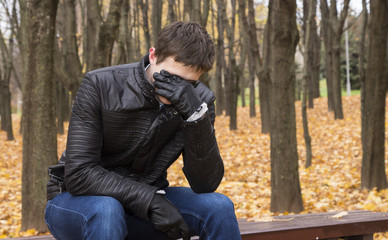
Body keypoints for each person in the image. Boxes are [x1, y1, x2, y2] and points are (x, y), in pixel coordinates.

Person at [44, 21, 241, 240]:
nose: (176, 90)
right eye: (171, 77)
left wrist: (195, 117)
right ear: (154, 55)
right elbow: (79, 174)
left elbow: (205, 184)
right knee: (107, 210)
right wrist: (148, 200)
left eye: (188, 84)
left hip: (147, 206)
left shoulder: (200, 101)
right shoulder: (100, 84)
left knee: (219, 207)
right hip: (77, 203)